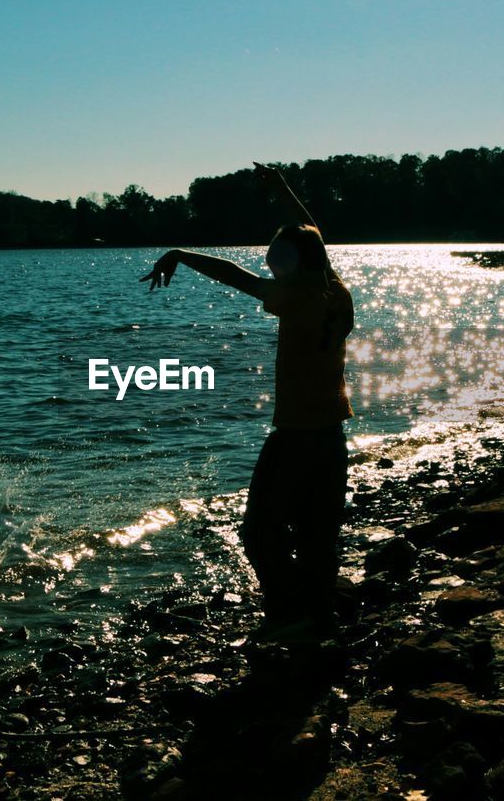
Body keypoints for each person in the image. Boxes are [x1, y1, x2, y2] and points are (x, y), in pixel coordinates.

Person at [140, 163, 354, 642]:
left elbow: (233, 275)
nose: (270, 267)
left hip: (296, 438)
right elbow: (313, 237)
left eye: (277, 259)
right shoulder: (336, 292)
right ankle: (319, 613)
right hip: (332, 436)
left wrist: (180, 253)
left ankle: (290, 611)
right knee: (318, 537)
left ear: (292, 262)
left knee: (259, 532)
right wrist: (281, 190)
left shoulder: (295, 296)